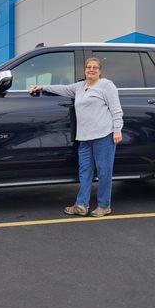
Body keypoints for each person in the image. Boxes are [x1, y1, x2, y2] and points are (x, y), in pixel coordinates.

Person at [28, 57, 123, 217]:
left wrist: (117, 129)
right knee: (85, 171)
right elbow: (62, 88)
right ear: (85, 69)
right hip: (84, 138)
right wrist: (42, 86)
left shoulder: (106, 85)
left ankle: (104, 205)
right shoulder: (80, 86)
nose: (91, 70)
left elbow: (116, 109)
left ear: (100, 71)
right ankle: (81, 205)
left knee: (104, 171)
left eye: (95, 67)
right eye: (88, 67)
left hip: (103, 135)